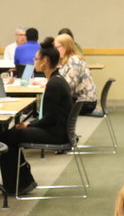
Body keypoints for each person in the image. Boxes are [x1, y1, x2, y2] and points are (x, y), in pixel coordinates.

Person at [0, 37, 73, 194]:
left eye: (36, 58)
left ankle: (16, 185)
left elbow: (49, 119)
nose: (34, 61)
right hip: (59, 130)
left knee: (7, 137)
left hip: (57, 134)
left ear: (45, 61)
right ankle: (22, 182)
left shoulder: (54, 84)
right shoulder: (57, 79)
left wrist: (28, 125)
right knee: (11, 135)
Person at [55, 33, 97, 115]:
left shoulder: (74, 61)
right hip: (79, 99)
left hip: (85, 102)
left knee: (53, 105)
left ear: (66, 47)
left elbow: (68, 86)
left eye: (57, 47)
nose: (55, 50)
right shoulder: (67, 60)